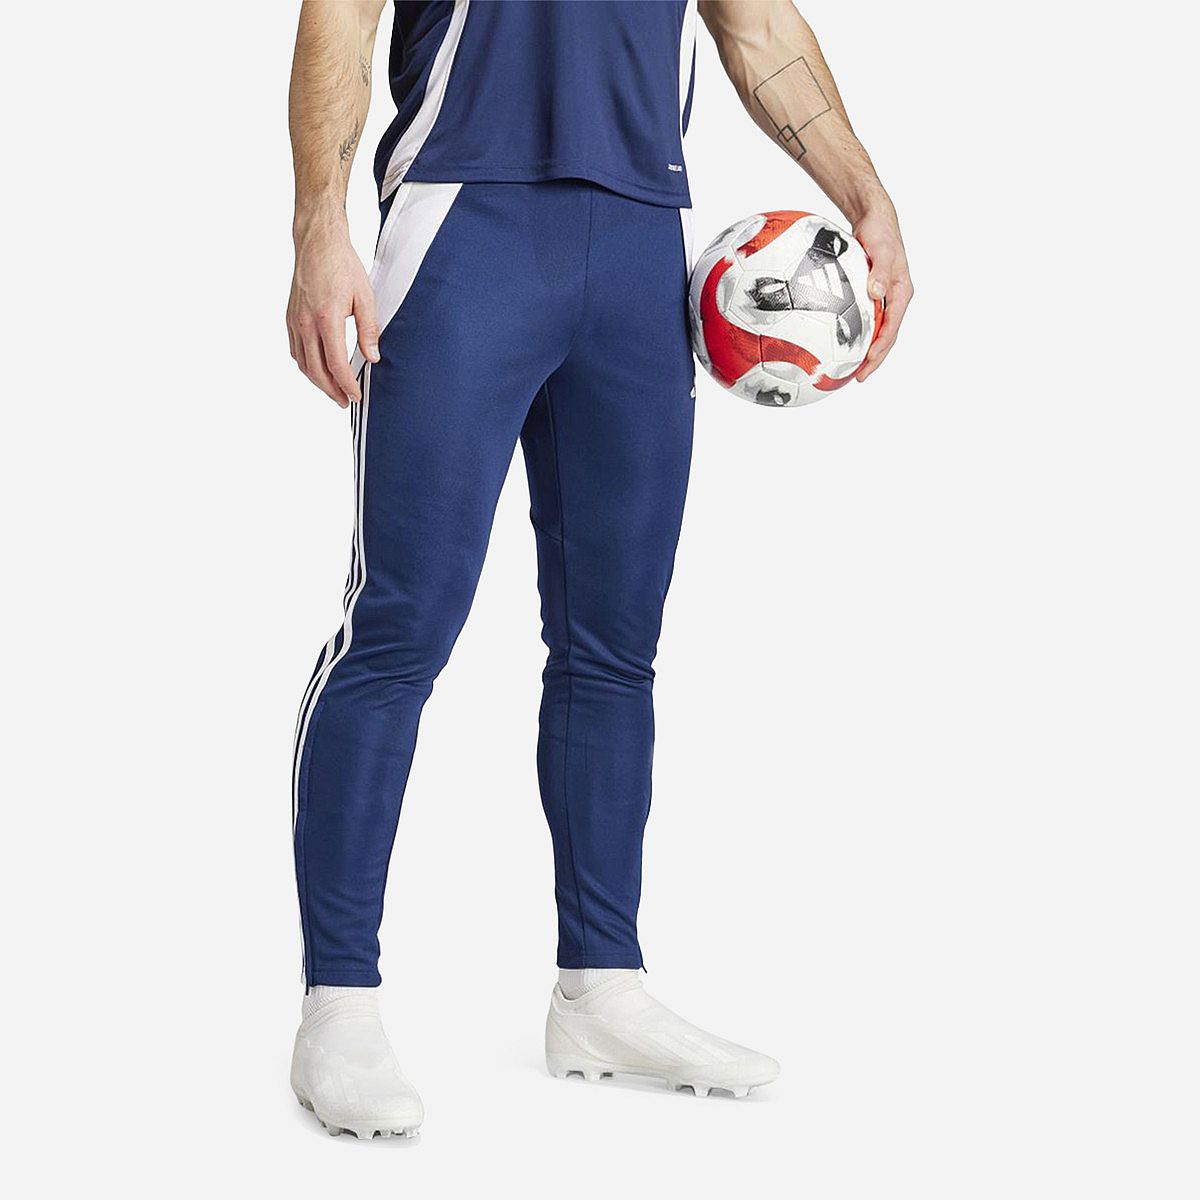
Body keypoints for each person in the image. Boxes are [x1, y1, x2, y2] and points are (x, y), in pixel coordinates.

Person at [286, 0, 912, 1139]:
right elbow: (342, 12)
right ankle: (339, 1003)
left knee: (614, 647)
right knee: (400, 627)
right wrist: (318, 228)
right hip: (465, 219)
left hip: (638, 239)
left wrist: (866, 195)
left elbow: (756, 26)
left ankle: (601, 988)